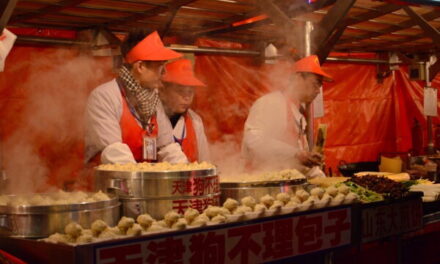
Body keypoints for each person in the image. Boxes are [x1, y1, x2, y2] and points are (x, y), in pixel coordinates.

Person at [84, 31, 188, 165]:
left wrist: (186, 172)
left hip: (140, 181)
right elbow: (114, 153)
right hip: (107, 184)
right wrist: (141, 180)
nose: (164, 73)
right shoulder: (105, 96)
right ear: (140, 67)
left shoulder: (153, 100)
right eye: (160, 66)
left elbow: (167, 147)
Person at [241, 55, 332, 176]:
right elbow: (253, 141)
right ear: (298, 78)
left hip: (286, 184)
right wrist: (295, 154)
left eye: (319, 87)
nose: (317, 91)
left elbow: (301, 159)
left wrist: (320, 175)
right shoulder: (270, 103)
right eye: (315, 84)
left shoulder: (297, 112)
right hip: (263, 183)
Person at [159, 58, 210, 162]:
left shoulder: (195, 121)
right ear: (163, 90)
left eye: (190, 92)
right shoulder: (150, 117)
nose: (186, 97)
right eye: (180, 91)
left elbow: (205, 162)